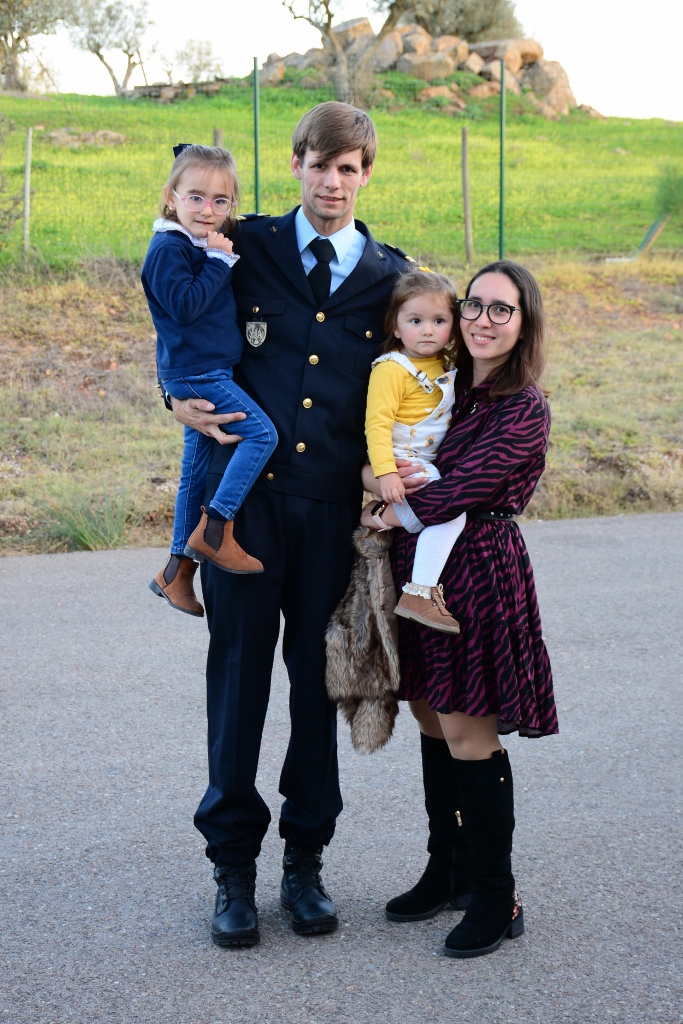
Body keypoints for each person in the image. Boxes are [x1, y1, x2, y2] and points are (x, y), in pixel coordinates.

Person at [166, 102, 422, 947]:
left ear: (366, 175)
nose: (333, 181)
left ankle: (304, 862)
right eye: (320, 164)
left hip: (329, 517)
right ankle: (232, 868)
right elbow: (182, 320)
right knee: (238, 683)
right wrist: (171, 394)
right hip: (244, 509)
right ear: (297, 164)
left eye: (349, 168)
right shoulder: (248, 245)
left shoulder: (392, 279)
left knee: (317, 689)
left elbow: (423, 382)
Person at [360, 259, 559, 958]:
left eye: (500, 310)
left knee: (468, 729)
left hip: (479, 574)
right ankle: (444, 869)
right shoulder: (441, 388)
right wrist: (372, 475)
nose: (480, 318)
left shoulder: (522, 406)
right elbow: (387, 447)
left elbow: (457, 491)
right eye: (472, 305)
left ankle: (494, 891)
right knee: (428, 713)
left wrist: (387, 503)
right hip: (418, 568)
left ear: (523, 323)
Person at [143, 144, 278, 618]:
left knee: (194, 473)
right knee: (262, 434)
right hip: (198, 373)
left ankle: (177, 571)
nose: (208, 209)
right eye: (196, 197)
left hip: (205, 370)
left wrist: (215, 251)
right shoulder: (168, 248)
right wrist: (220, 262)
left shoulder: (193, 242)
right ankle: (216, 529)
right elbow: (183, 307)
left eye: (221, 201)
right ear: (171, 197)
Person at [365, 268, 465, 635]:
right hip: (404, 460)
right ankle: (419, 591)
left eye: (439, 321)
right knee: (452, 514)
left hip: (429, 462)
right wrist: (386, 472)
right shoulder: (392, 369)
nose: (427, 330)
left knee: (447, 510)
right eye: (415, 320)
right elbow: (376, 425)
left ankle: (379, 517)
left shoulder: (447, 365)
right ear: (395, 326)